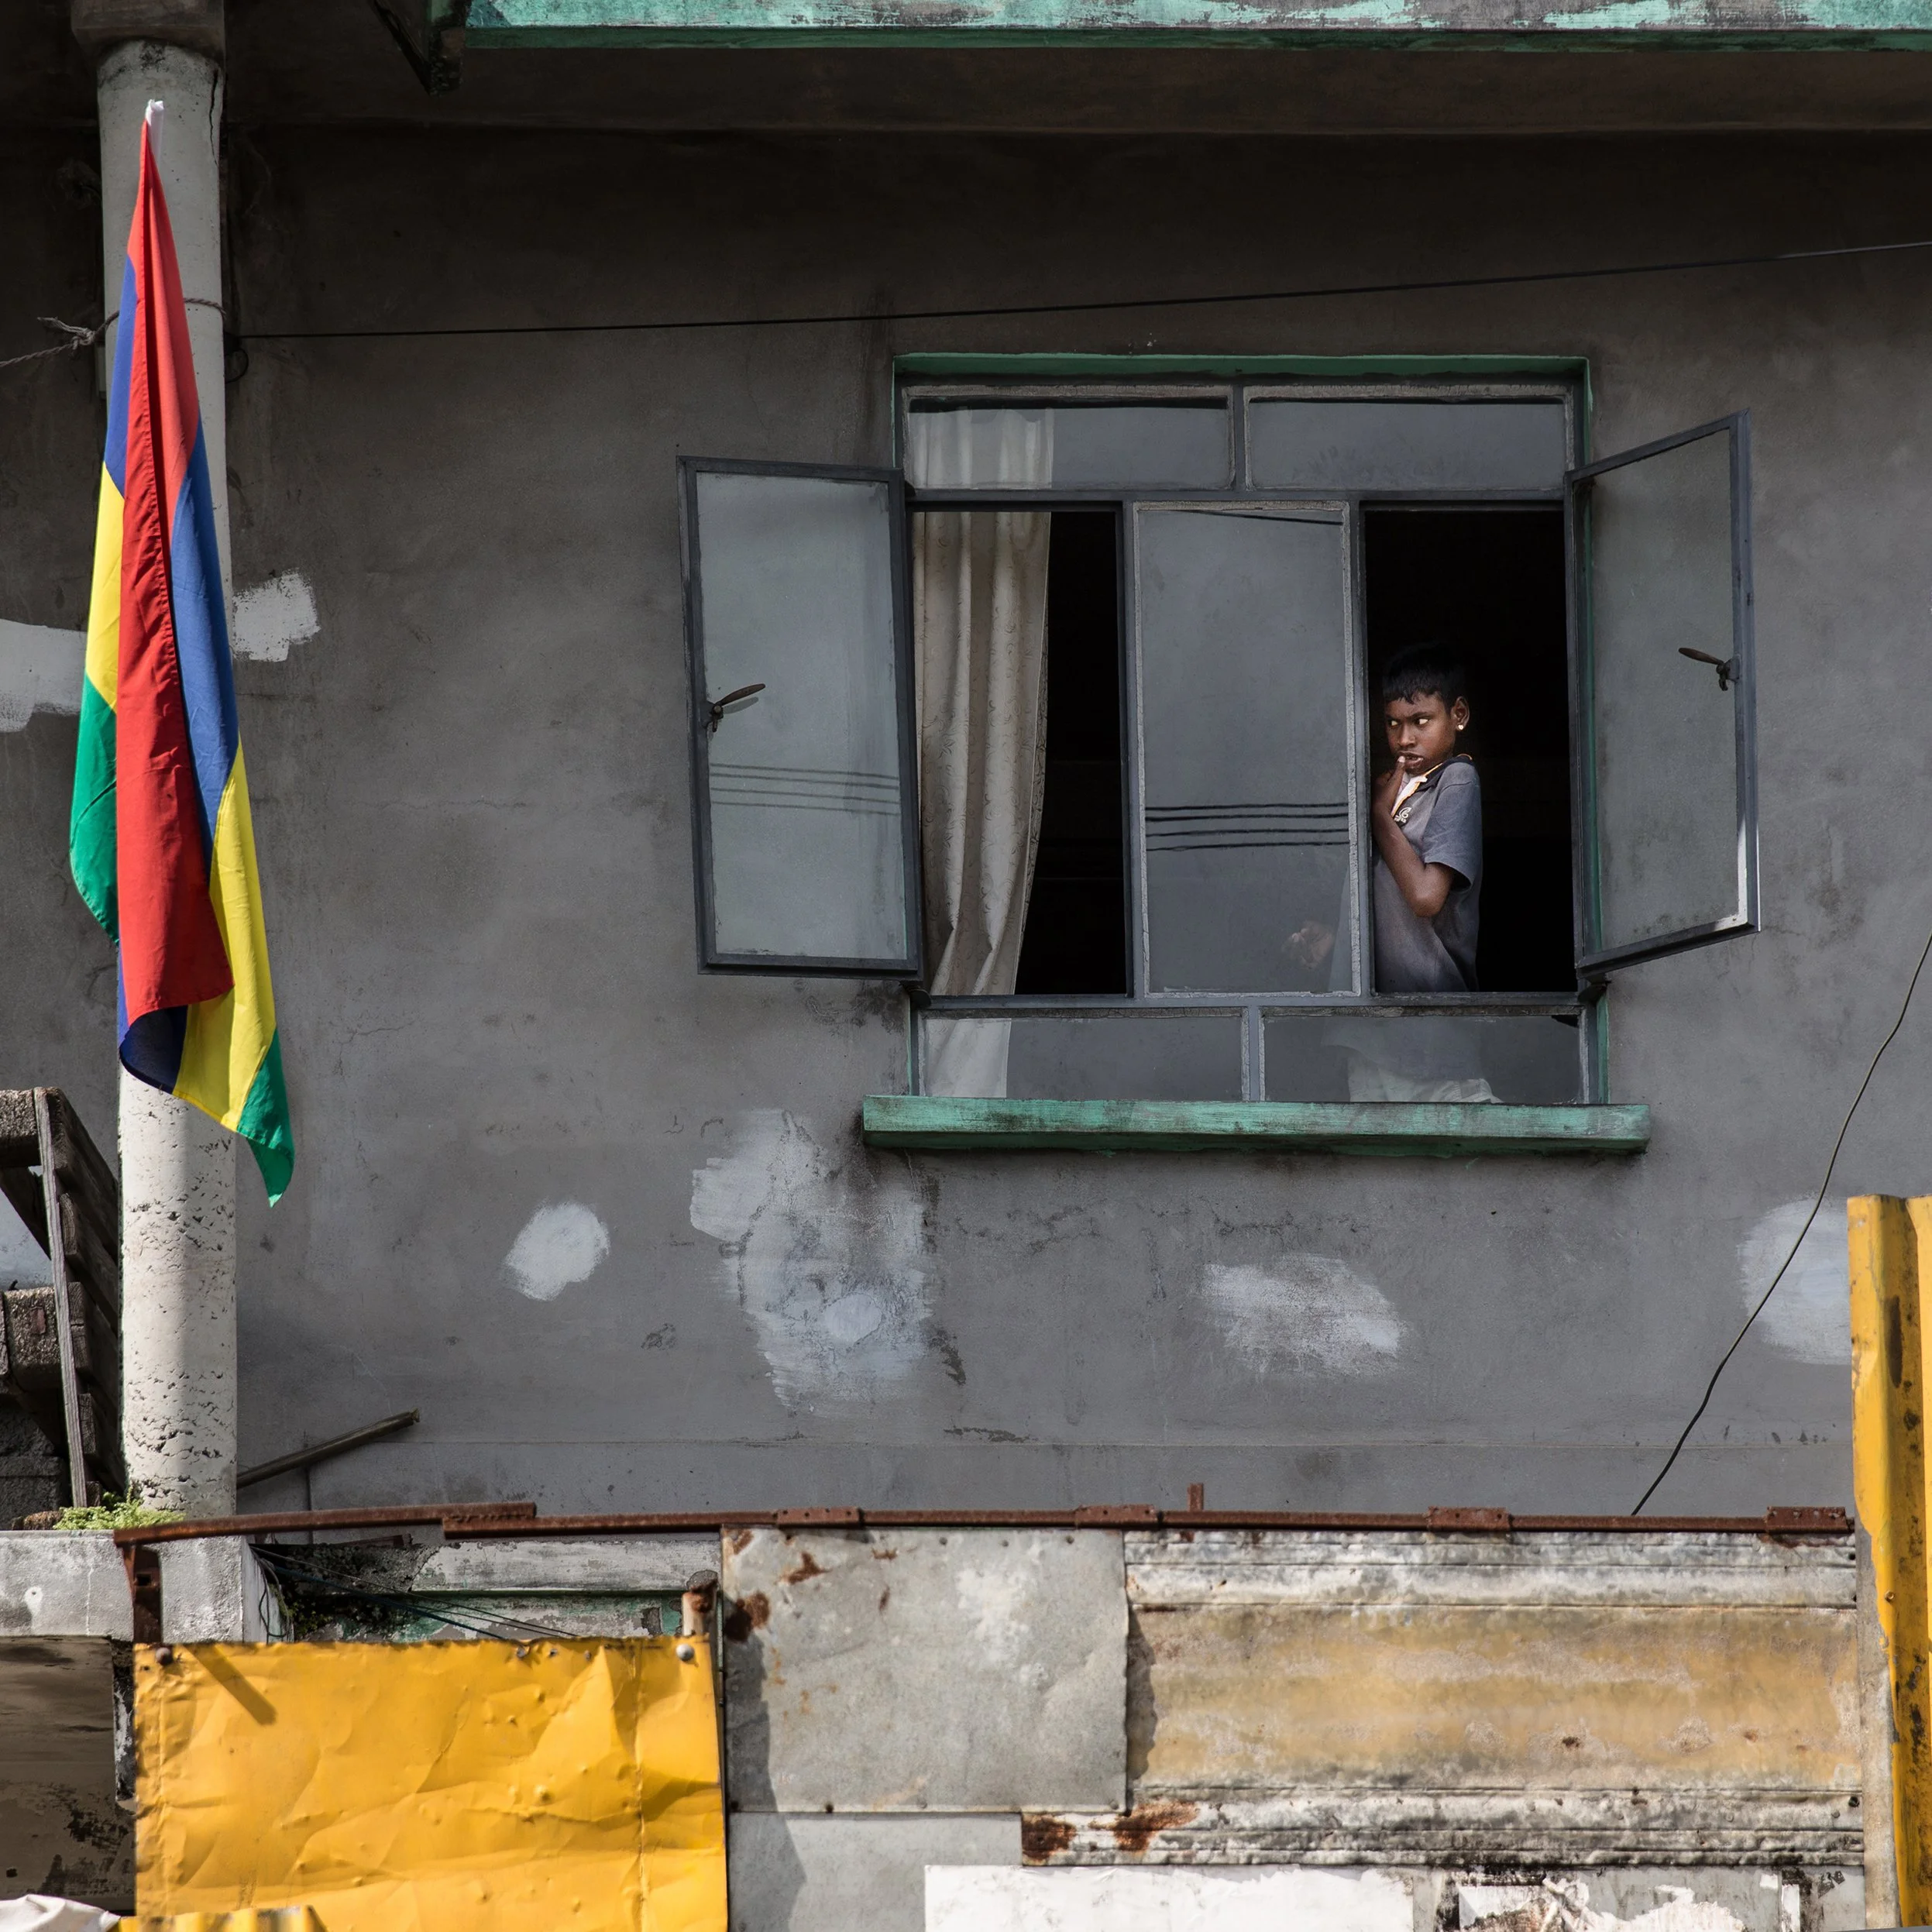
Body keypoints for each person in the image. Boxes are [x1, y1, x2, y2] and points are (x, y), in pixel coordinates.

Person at [1370, 641, 1481, 995]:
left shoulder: (1456, 779)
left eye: (1421, 721)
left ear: (1458, 715)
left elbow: (1425, 897)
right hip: (1371, 1014)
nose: (1404, 739)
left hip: (1431, 1007)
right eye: (1393, 723)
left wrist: (1379, 817)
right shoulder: (1392, 788)